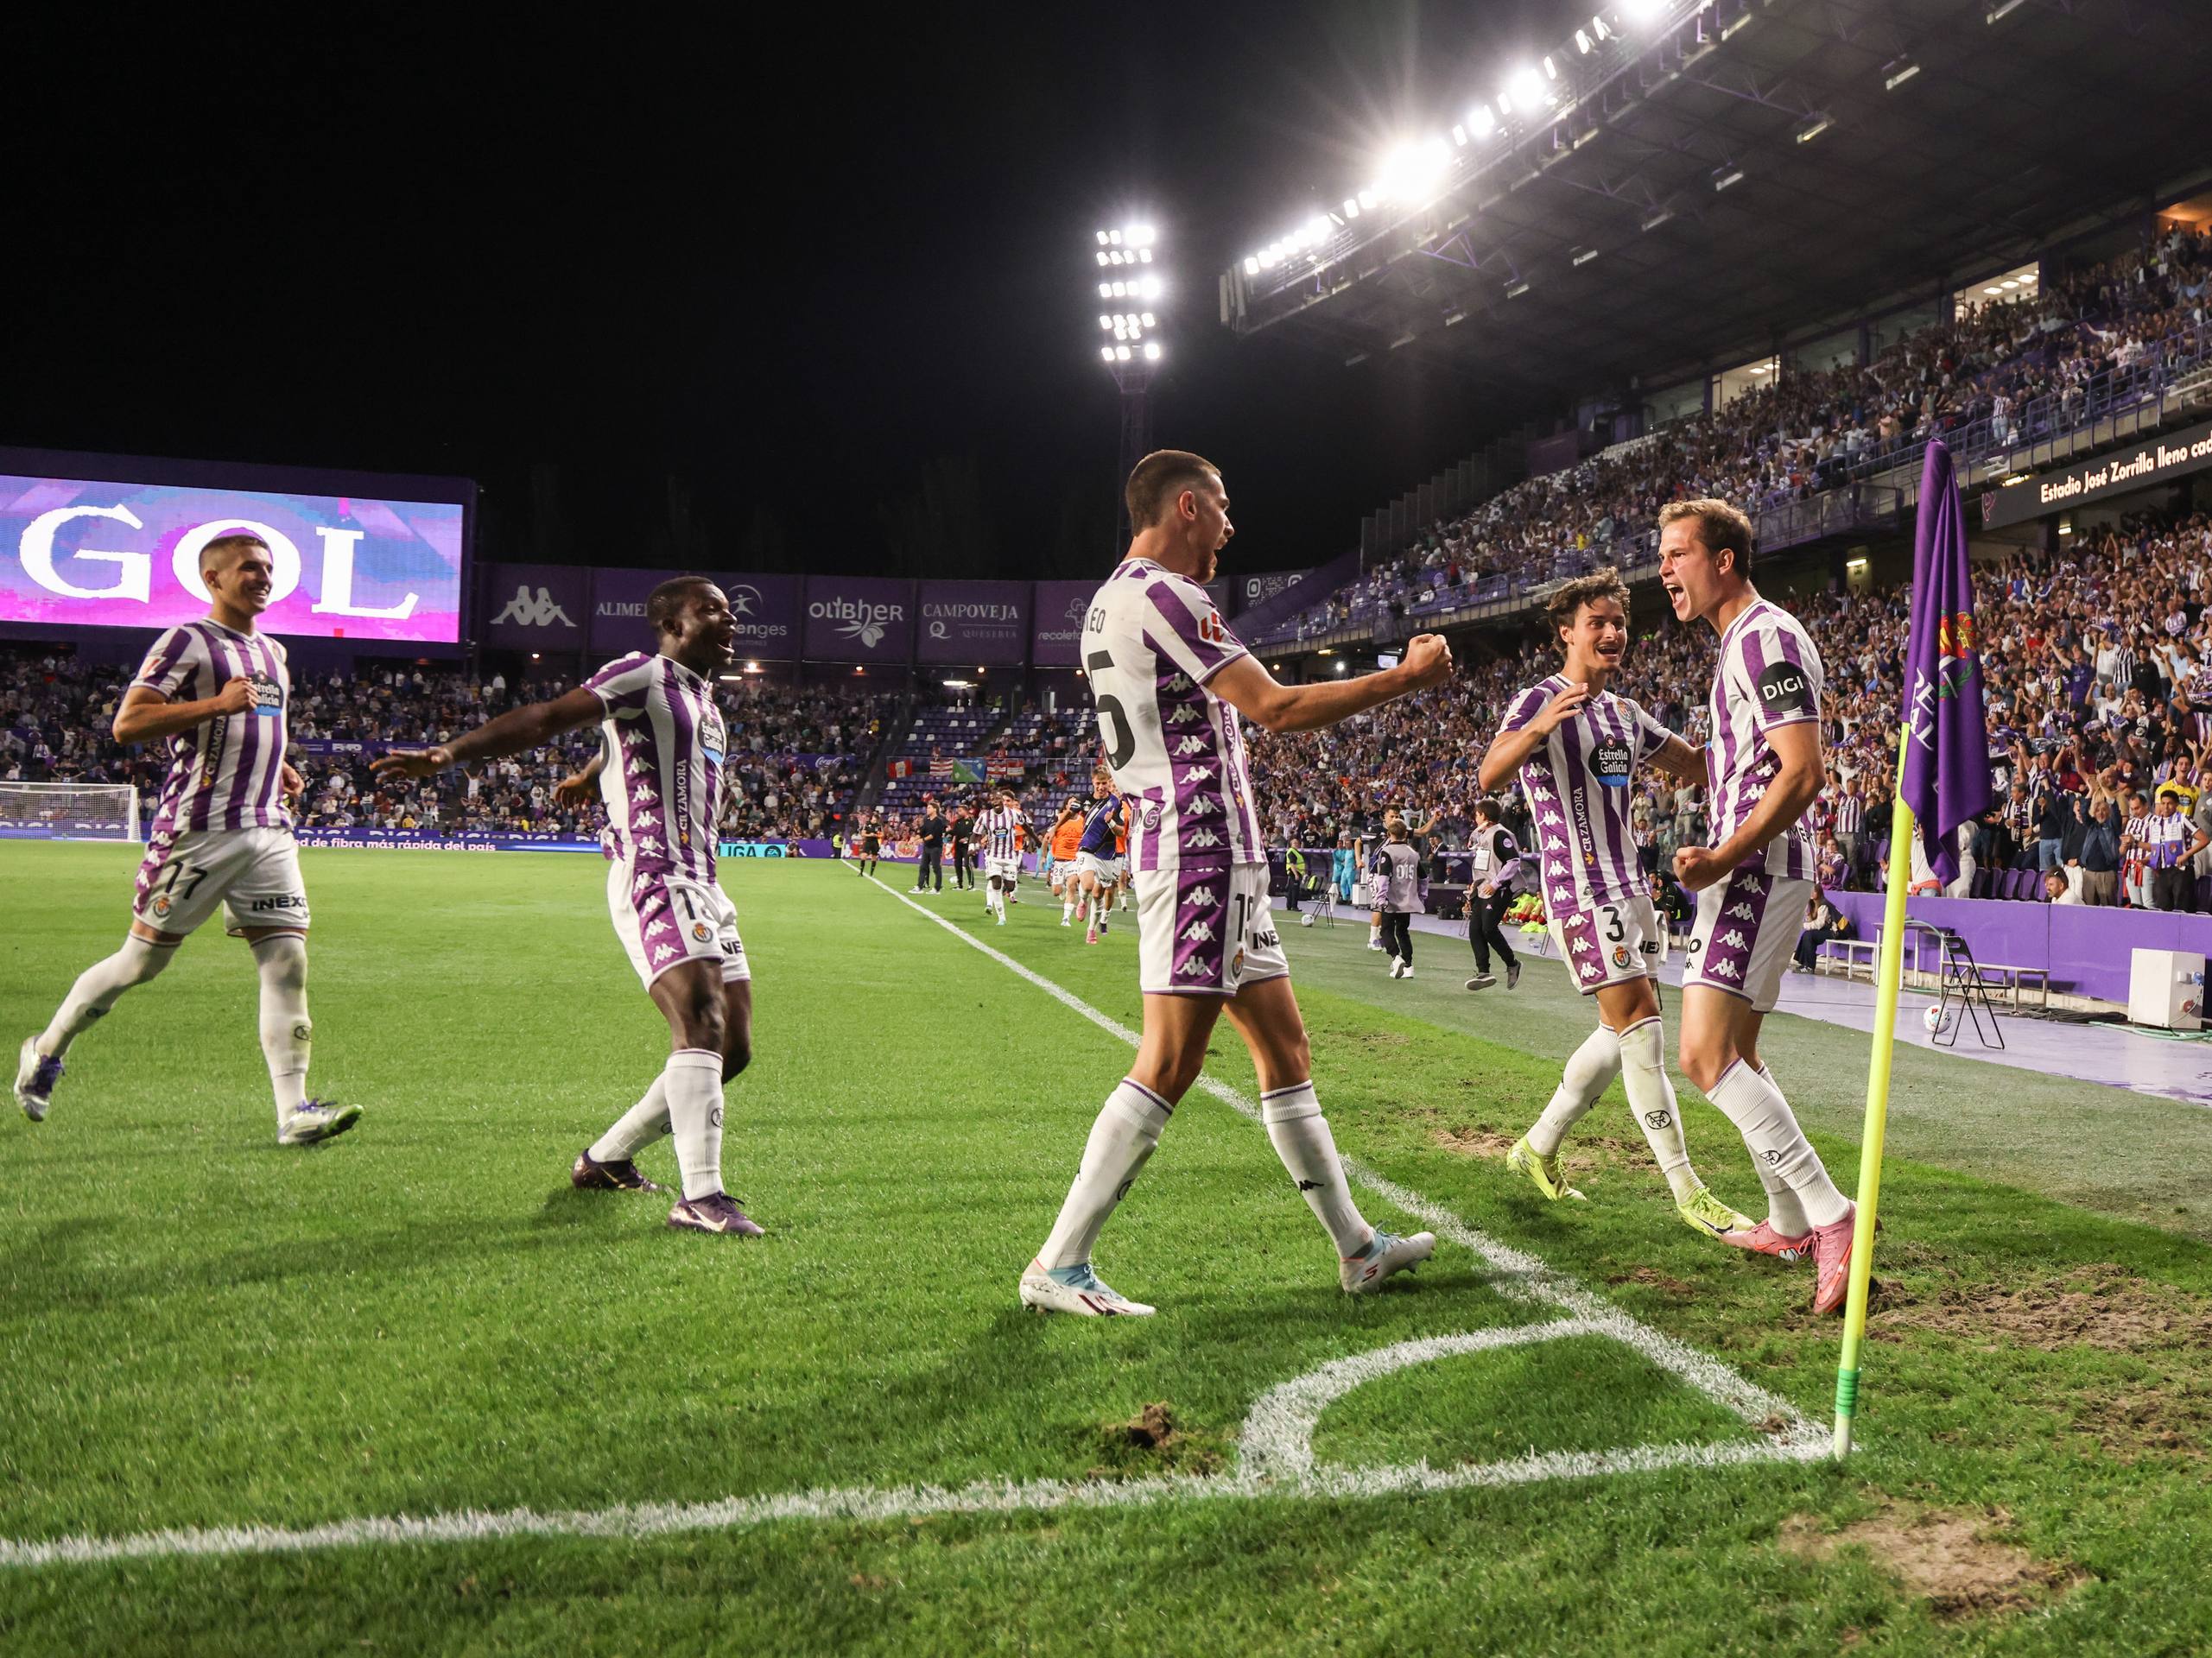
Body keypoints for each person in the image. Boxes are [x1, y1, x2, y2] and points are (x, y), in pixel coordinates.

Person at [1020, 449, 1448, 1316]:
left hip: (1220, 856)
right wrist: (1400, 681)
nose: (1229, 524)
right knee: (1170, 1061)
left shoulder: (1109, 601)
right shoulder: (1168, 595)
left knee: (1284, 1051)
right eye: (1220, 507)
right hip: (1198, 850)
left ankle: (1356, 1249)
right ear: (1185, 506)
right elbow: (1275, 708)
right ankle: (1057, 1265)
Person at [372, 576, 763, 1237]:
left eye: (731, 612)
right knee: (699, 1023)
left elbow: (621, 738)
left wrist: (590, 774)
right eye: (711, 610)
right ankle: (701, 1197)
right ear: (669, 622)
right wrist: (448, 753)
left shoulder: (703, 698)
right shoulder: (641, 673)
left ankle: (606, 1160)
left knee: (734, 1048)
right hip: (657, 872)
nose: (729, 621)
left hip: (706, 882)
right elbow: (549, 716)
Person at [14, 533, 356, 1146]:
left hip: (268, 830)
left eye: (268, 568)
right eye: (248, 568)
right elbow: (129, 722)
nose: (262, 577)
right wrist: (217, 704)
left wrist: (274, 764)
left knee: (286, 963)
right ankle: (43, 1050)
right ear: (213, 579)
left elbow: (259, 725)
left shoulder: (274, 652)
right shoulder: (186, 641)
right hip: (199, 831)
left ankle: (294, 1111)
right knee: (140, 964)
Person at [1477, 567, 1752, 1241]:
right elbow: (1488, 774)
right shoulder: (1540, 697)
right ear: (1565, 632)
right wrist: (1539, 724)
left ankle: (1536, 1149)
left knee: (1616, 1029)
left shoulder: (1623, 712)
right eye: (1596, 622)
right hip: (1578, 888)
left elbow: (1691, 766)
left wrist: (1754, 741)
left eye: (1619, 623)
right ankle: (1688, 1192)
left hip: (1630, 887)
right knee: (1644, 1029)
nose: (1611, 633)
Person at [1660, 497, 1858, 1315]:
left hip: (1754, 869)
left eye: (1677, 555)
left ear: (1725, 560)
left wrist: (1722, 856)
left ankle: (1831, 1215)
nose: (1665, 571)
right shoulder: (1741, 642)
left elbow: (1802, 770)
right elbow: (1756, 761)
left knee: (1702, 1057)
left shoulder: (1766, 636)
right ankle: (1786, 1219)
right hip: (1758, 864)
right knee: (1738, 1051)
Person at [1462, 798, 1526, 991]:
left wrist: (1496, 883)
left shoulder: (1499, 834)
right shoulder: (1484, 835)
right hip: (1481, 889)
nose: (1475, 817)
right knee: (1475, 930)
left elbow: (1513, 860)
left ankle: (1512, 963)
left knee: (1489, 928)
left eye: (1477, 814)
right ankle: (1483, 972)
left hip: (1498, 889)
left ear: (1484, 815)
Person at [1074, 768, 1125, 945]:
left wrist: (1111, 821)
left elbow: (1120, 832)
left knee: (1098, 894)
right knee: (1087, 886)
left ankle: (1091, 931)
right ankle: (1081, 901)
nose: (1101, 786)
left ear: (1109, 782)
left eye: (1104, 783)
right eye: (1098, 783)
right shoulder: (1084, 800)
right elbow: (1068, 813)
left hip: (1106, 853)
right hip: (1087, 847)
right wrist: (1055, 828)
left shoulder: (1116, 803)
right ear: (1093, 782)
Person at [1373, 814, 1419, 978]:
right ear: (1406, 834)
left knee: (1386, 930)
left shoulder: (1387, 852)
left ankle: (1396, 957)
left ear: (1388, 834)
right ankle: (1409, 967)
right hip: (1407, 899)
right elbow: (1424, 877)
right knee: (1403, 931)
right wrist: (1422, 895)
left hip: (1390, 899)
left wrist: (1380, 898)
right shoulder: (1413, 853)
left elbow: (1384, 877)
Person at [977, 788, 1024, 926]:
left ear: (1014, 801)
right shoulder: (990, 816)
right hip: (994, 854)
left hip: (1013, 852)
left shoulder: (1016, 814)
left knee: (1010, 885)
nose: (1005, 803)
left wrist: (1014, 833)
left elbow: (1025, 828)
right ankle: (991, 905)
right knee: (994, 881)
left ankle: (1011, 893)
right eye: (1004, 800)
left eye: (1008, 801)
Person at [1048, 796, 1086, 925]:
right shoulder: (1058, 819)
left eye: (1075, 803)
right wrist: (1044, 854)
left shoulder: (1083, 821)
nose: (1073, 806)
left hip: (1074, 859)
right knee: (1056, 891)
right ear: (1066, 806)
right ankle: (1060, 888)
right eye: (1071, 804)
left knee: (1072, 886)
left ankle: (1066, 919)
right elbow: (1048, 836)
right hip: (1059, 859)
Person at [1793, 889, 1851, 971]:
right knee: (1807, 935)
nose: (1812, 893)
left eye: (1814, 891)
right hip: (1829, 929)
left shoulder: (1824, 904)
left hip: (1839, 931)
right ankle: (1805, 964)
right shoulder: (1813, 904)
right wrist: (1809, 918)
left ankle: (1809, 967)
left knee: (1810, 935)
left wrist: (1804, 925)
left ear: (1819, 893)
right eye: (1811, 891)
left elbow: (1819, 924)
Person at [912, 797, 947, 893]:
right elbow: (922, 832)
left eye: (929, 808)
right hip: (927, 847)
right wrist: (914, 839)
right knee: (923, 867)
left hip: (935, 847)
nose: (927, 810)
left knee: (936, 868)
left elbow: (933, 835)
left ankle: (937, 888)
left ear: (935, 809)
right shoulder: (926, 820)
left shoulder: (939, 821)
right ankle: (919, 886)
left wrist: (921, 840)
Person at [948, 807, 975, 892]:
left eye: (960, 811)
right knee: (957, 865)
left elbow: (973, 833)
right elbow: (955, 832)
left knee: (967, 864)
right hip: (958, 846)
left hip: (967, 847)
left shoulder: (971, 821)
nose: (958, 813)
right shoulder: (958, 822)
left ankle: (971, 885)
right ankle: (960, 885)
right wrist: (948, 832)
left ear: (966, 811)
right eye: (958, 811)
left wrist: (967, 839)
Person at [856, 813, 883, 880]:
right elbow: (863, 834)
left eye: (876, 819)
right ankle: (861, 872)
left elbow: (881, 835)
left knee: (874, 857)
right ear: (872, 818)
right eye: (874, 818)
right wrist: (869, 835)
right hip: (868, 842)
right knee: (863, 856)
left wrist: (876, 835)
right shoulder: (867, 824)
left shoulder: (878, 826)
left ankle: (871, 873)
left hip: (875, 842)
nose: (875, 820)